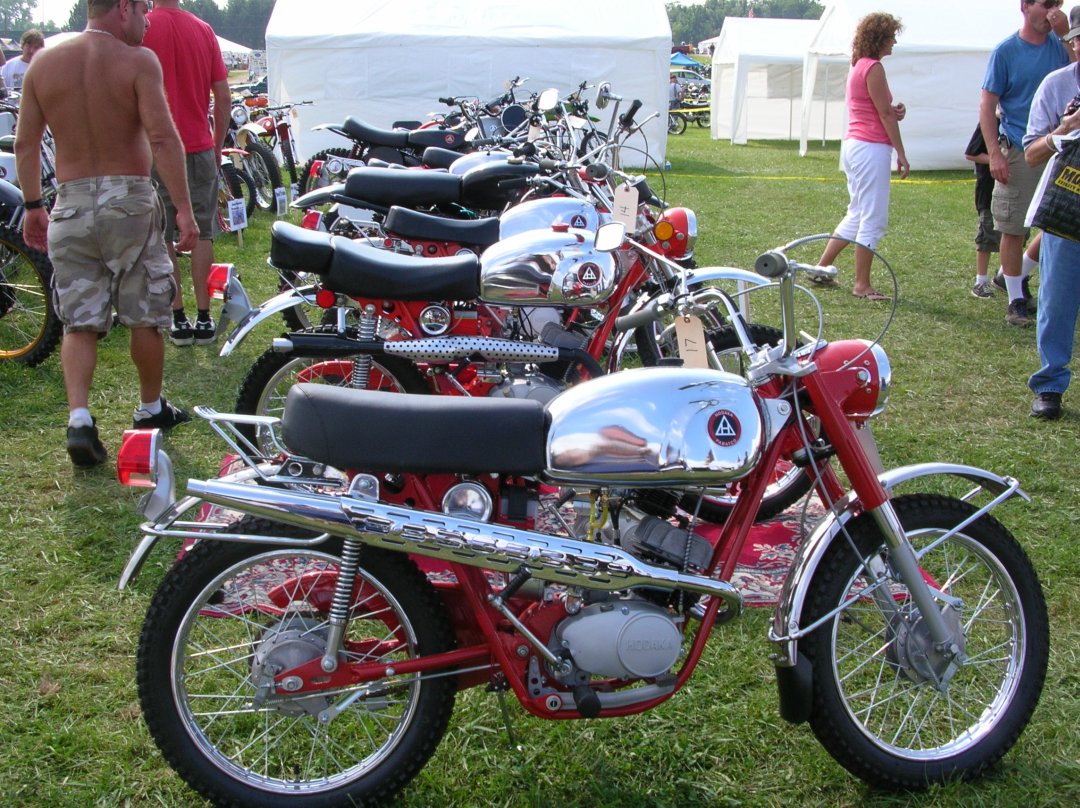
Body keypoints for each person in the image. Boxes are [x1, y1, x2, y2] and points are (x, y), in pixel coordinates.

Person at [14, 0, 199, 467]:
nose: (147, 20)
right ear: (121, 9)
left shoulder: (44, 64)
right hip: (129, 200)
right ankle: (151, 409)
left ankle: (79, 418)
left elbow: (26, 141)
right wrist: (184, 209)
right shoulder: (138, 61)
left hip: (70, 202)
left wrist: (34, 204)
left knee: (79, 319)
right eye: (142, 10)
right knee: (144, 312)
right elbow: (161, 138)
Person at [142, 0, 230, 347]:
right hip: (198, 146)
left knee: (165, 234)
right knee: (203, 232)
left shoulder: (143, 27)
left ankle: (178, 317)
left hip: (157, 148)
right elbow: (222, 97)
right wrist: (217, 144)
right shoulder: (203, 30)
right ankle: (205, 317)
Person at [979, 0, 1072, 327]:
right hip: (1019, 149)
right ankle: (1016, 301)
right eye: (1047, 4)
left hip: (1060, 150)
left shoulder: (1060, 46)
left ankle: (1014, 276)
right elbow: (987, 104)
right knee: (1014, 226)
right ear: (1025, 6)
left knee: (1060, 221)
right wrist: (994, 152)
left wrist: (1067, 37)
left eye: (1058, 4)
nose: (1052, 12)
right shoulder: (1006, 51)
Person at [815, 12, 908, 301]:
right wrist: (901, 153)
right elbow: (882, 114)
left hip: (855, 145)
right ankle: (861, 284)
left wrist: (894, 112)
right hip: (871, 148)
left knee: (856, 213)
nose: (894, 41)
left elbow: (879, 109)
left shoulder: (858, 66)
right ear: (880, 38)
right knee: (873, 218)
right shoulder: (874, 68)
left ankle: (821, 266)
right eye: (891, 35)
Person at [1021, 9, 1080, 419]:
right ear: (1072, 42)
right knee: (1057, 301)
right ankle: (1049, 385)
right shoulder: (1057, 85)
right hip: (1067, 209)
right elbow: (1030, 152)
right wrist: (1065, 129)